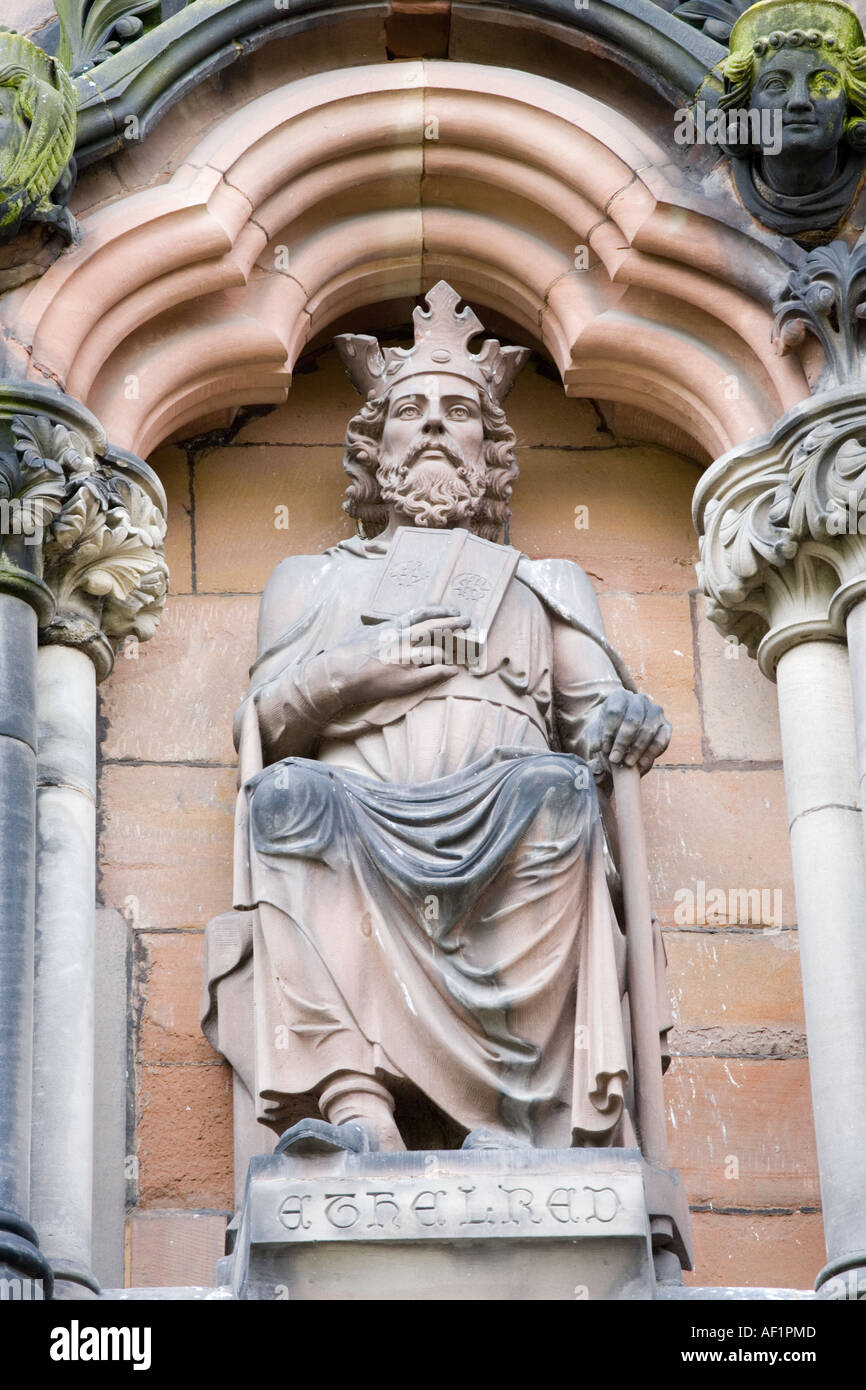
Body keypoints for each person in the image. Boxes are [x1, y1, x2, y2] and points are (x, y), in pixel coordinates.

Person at [226, 282, 671, 1154]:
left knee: (557, 790)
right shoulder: (310, 581)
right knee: (284, 801)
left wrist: (630, 716)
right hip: (358, 814)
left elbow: (592, 720)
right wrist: (372, 664)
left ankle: (513, 1117)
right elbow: (266, 725)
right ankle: (357, 1111)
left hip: (505, 812)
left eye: (458, 411)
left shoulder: (546, 582)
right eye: (411, 410)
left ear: (489, 449)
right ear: (376, 444)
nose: (434, 425)